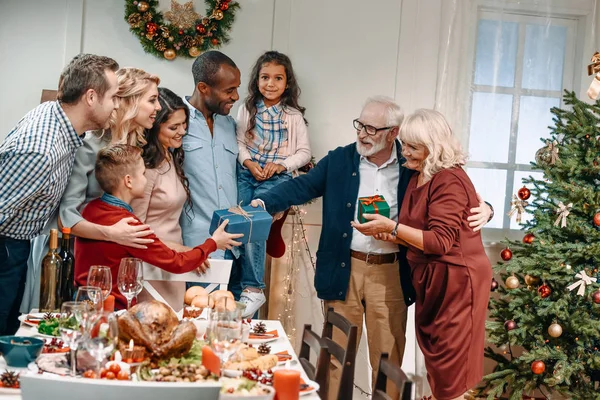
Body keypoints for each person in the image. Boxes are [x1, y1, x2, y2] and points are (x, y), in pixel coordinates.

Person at [251, 97, 492, 399]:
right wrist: (263, 202)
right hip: (344, 268)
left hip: (391, 272)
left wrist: (488, 208)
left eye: (372, 128)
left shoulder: (414, 164)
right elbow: (303, 186)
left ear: (393, 133)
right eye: (360, 125)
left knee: (387, 360)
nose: (362, 133)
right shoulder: (341, 160)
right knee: (336, 354)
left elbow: (455, 197)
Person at [352, 109, 492, 400]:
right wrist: (390, 233)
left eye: (414, 147)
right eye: (404, 144)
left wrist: (393, 228)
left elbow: (441, 241)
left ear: (435, 148)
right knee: (439, 366)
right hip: (433, 282)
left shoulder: (449, 180)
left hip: (456, 284)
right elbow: (417, 228)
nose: (405, 152)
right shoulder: (418, 173)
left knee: (452, 369)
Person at [22, 67, 162, 313]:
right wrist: (112, 234)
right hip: (65, 254)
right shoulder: (90, 145)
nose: (159, 107)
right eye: (152, 100)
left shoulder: (130, 144)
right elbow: (66, 216)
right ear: (129, 102)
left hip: (98, 255)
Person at [0, 53, 119, 335]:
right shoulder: (41, 150)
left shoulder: (60, 118)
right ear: (91, 97)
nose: (116, 106)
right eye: (113, 97)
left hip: (18, 244)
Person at [75, 144, 242, 310]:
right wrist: (213, 243)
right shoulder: (130, 227)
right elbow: (177, 263)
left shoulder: (89, 210)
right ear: (128, 181)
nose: (146, 178)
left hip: (82, 305)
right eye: (142, 174)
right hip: (114, 313)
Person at [235, 51, 311, 316]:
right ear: (257, 80)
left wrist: (282, 165)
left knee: (255, 217)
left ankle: (254, 288)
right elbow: (239, 143)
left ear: (287, 82)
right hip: (248, 172)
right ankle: (238, 286)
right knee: (238, 219)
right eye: (265, 77)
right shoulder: (246, 109)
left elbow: (304, 153)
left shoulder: (292, 116)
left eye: (278, 78)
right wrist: (248, 163)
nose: (270, 83)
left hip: (277, 177)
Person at [131, 87, 203, 309]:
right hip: (152, 264)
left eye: (184, 124)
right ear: (155, 126)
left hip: (173, 261)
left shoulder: (170, 158)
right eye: (174, 127)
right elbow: (135, 230)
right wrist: (179, 250)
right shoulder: (147, 168)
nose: (182, 131)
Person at [180, 51, 244, 297]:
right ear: (203, 87)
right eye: (229, 90)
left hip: (237, 249)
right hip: (199, 252)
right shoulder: (176, 122)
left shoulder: (231, 126)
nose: (236, 97)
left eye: (236, 88)